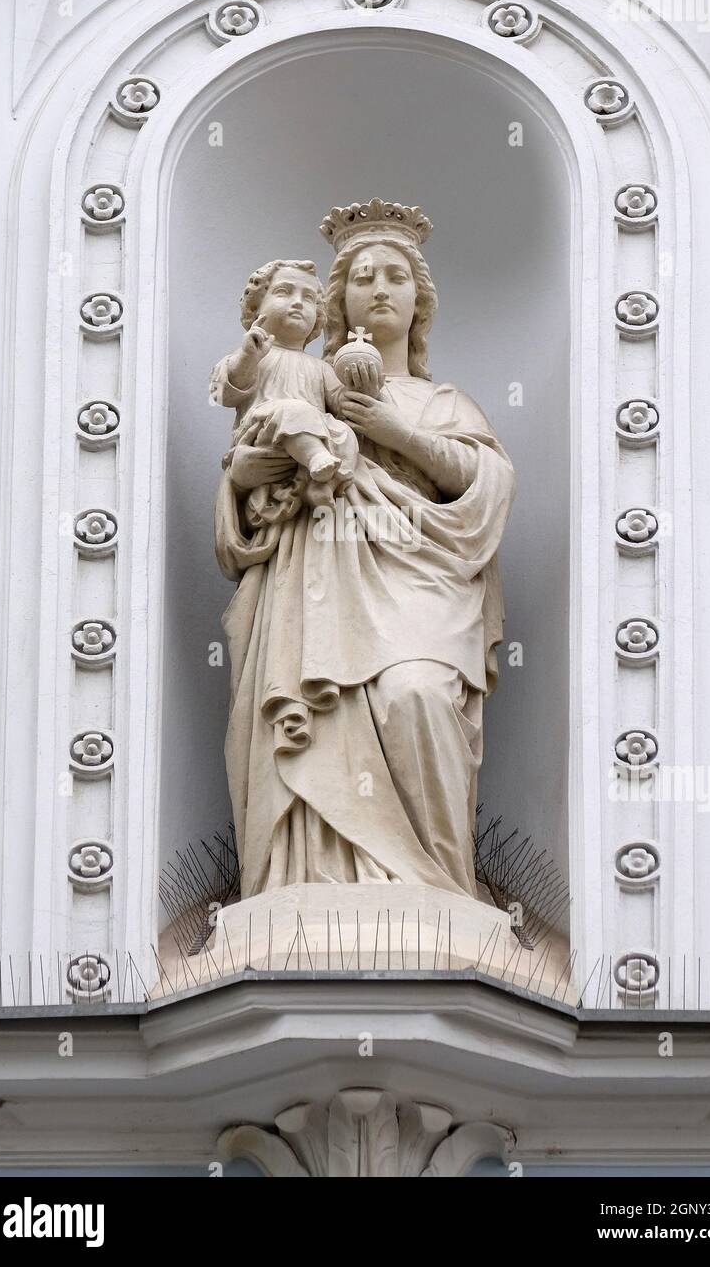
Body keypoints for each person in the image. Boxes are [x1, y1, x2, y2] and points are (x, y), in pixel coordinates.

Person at [213, 200, 516, 898]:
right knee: (314, 717)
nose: (379, 288)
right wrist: (244, 478)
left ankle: (438, 889)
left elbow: (487, 486)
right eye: (361, 277)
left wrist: (393, 429)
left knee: (417, 694)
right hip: (313, 581)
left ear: (419, 303)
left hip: (420, 573)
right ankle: (307, 881)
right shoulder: (302, 382)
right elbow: (245, 474)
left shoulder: (444, 400)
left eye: (396, 277)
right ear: (335, 300)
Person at [209, 258, 357, 513]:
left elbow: (343, 404)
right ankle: (316, 459)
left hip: (310, 434)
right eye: (284, 292)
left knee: (346, 434)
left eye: (309, 298)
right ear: (256, 308)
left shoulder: (321, 368)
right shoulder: (252, 354)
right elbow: (220, 394)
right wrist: (248, 357)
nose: (298, 302)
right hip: (264, 434)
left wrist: (361, 380)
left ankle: (322, 484)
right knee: (294, 410)